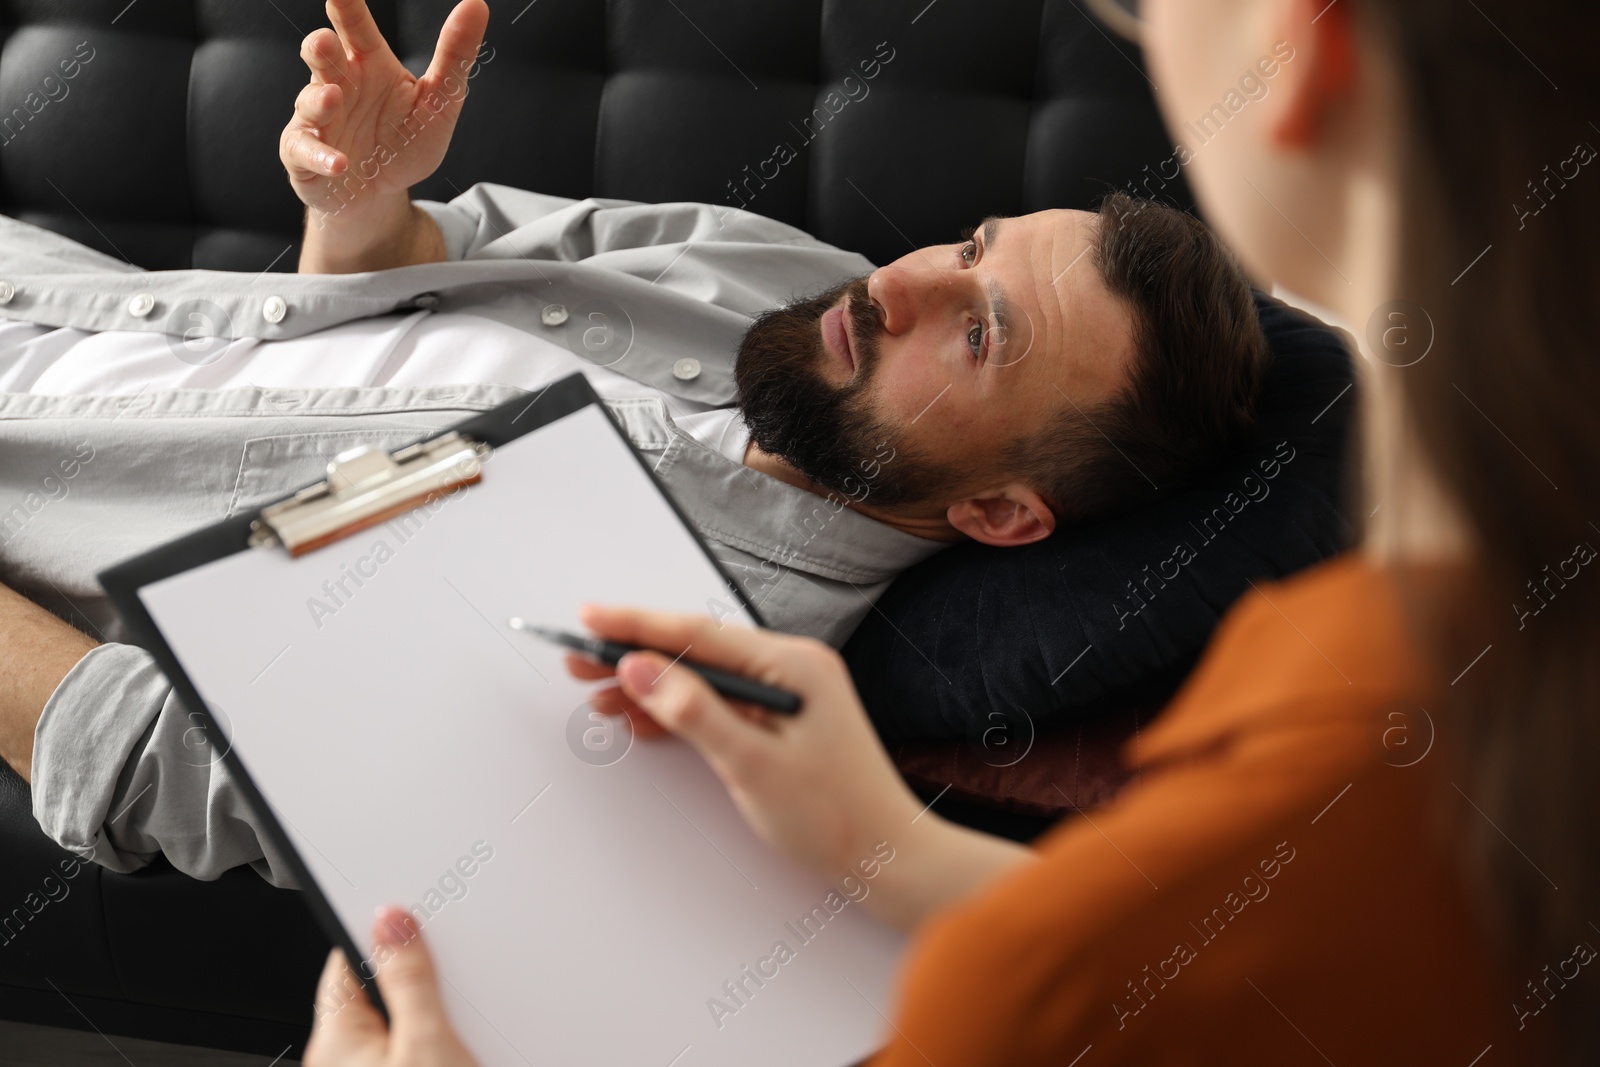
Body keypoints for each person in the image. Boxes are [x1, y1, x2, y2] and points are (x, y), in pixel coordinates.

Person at [300, 0, 1598, 1063]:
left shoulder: (1270, 825)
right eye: (972, 246)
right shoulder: (1416, 729)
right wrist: (902, 851)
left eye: (1152, 12)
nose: (896, 277)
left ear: (1305, 45)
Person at [0, 0, 1270, 882]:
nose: (901, 282)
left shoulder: (666, 663)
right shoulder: (789, 283)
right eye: (974, 245)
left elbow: (142, 763)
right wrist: (366, 199)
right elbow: (406, 277)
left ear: (1000, 513)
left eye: (981, 333)